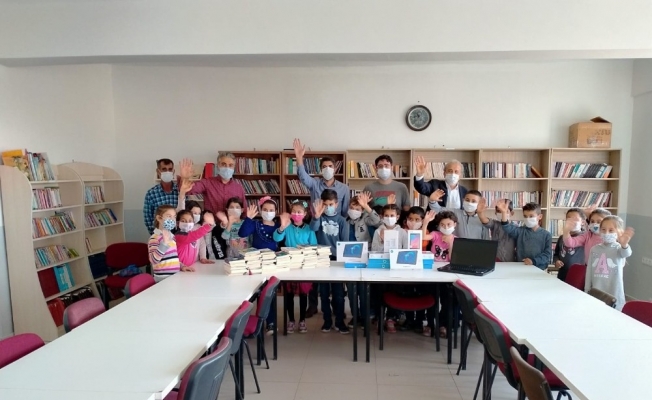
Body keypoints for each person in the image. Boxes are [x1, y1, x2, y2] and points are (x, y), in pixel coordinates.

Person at [309, 189, 350, 334]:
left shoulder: (342, 221)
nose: (328, 207)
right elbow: (312, 229)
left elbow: (345, 243)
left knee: (338, 294)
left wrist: (343, 261)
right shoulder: (319, 218)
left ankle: (339, 321)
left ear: (337, 204)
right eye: (325, 205)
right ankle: (327, 321)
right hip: (322, 259)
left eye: (331, 204)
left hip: (337, 260)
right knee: (324, 293)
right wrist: (316, 216)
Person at [274, 200, 317, 334]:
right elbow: (276, 238)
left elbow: (314, 245)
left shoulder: (309, 228)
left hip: (303, 266)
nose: (296, 214)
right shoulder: (287, 227)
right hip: (290, 265)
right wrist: (282, 227)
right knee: (289, 295)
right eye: (294, 212)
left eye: (299, 212)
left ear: (305, 214)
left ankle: (302, 320)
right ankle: (291, 320)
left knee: (304, 295)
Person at [239, 196, 281, 334]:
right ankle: (254, 323)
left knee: (269, 294)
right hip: (256, 264)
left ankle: (271, 323)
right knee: (256, 293)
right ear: (260, 210)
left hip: (272, 264)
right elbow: (242, 233)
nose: (268, 212)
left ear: (276, 212)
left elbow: (282, 240)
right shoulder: (255, 224)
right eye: (265, 209)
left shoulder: (278, 226)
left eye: (271, 210)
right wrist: (248, 218)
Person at [371, 204, 408, 334]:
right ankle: (379, 316)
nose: (389, 218)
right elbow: (374, 250)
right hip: (381, 268)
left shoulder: (402, 232)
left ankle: (391, 318)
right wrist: (382, 241)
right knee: (379, 292)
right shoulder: (378, 231)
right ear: (382, 217)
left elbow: (406, 251)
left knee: (395, 291)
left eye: (392, 215)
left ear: (397, 217)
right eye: (386, 215)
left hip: (397, 269)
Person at [345, 191, 381, 328]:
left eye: (357, 208)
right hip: (349, 260)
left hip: (365, 259)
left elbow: (378, 222)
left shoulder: (366, 218)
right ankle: (355, 316)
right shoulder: (345, 221)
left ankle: (365, 317)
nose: (354, 211)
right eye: (352, 207)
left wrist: (366, 207)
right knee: (351, 292)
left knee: (364, 291)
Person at [585, 216, 634, 311]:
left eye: (611, 230)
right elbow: (589, 271)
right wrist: (586, 289)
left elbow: (627, 253)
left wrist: (624, 244)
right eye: (603, 229)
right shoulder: (594, 249)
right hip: (597, 290)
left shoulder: (619, 248)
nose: (606, 233)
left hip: (614, 291)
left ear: (619, 232)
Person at [293, 138, 350, 216]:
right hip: (317, 221)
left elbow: (345, 212)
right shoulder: (314, 184)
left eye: (330, 166)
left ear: (335, 169)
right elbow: (303, 177)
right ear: (321, 170)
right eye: (324, 167)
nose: (327, 169)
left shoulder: (344, 188)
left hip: (336, 222)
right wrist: (299, 158)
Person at [179, 154, 246, 218]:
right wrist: (184, 178)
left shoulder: (238, 188)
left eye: (230, 165)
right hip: (211, 224)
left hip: (233, 224)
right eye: (224, 164)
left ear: (234, 167)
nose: (227, 168)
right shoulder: (208, 182)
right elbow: (188, 190)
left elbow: (244, 211)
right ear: (218, 165)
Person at [147, 205, 195, 282]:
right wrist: (164, 244)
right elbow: (153, 260)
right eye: (169, 216)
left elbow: (173, 258)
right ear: (159, 218)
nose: (172, 219)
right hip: (162, 279)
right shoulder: (154, 238)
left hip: (174, 276)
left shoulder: (172, 237)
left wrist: (182, 266)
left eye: (174, 216)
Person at [498, 202, 552, 270]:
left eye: (531, 216)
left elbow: (547, 255)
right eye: (525, 216)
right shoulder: (520, 231)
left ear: (540, 216)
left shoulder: (546, 235)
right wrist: (504, 213)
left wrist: (533, 261)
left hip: (540, 269)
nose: (528, 219)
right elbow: (507, 227)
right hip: (522, 267)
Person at [144, 158, 180, 234]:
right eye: (164, 169)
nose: (167, 172)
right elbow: (148, 218)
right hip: (159, 235)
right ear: (158, 171)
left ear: (173, 171)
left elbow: (185, 214)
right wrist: (157, 235)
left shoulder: (180, 191)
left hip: (179, 235)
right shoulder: (151, 193)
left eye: (170, 169)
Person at [553, 208, 586, 281]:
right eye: (569, 219)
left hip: (578, 276)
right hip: (562, 274)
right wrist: (556, 261)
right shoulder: (562, 238)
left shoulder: (585, 238)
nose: (571, 222)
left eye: (575, 219)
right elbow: (556, 254)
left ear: (582, 222)